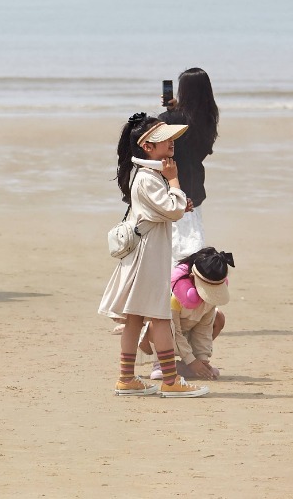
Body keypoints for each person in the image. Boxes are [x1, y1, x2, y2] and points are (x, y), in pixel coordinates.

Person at [99, 114, 208, 398]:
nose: (171, 143)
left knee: (135, 317)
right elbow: (170, 210)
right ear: (148, 146)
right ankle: (170, 381)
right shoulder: (150, 177)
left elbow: (167, 209)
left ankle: (127, 378)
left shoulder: (147, 175)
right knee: (159, 316)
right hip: (148, 256)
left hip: (143, 253)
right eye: (165, 139)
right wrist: (174, 181)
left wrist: (176, 199)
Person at [158, 67, 219, 258]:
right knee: (193, 235)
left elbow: (156, 147)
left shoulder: (169, 120)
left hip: (172, 184)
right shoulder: (209, 118)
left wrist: (170, 113)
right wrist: (175, 109)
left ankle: (175, 282)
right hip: (195, 185)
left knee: (174, 241)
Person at [162, 247, 233, 382]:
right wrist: (192, 362)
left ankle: (184, 366)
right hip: (161, 336)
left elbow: (204, 328)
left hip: (186, 334)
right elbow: (174, 331)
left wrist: (202, 359)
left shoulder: (209, 299)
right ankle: (161, 363)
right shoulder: (175, 296)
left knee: (218, 318)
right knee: (160, 325)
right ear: (192, 277)